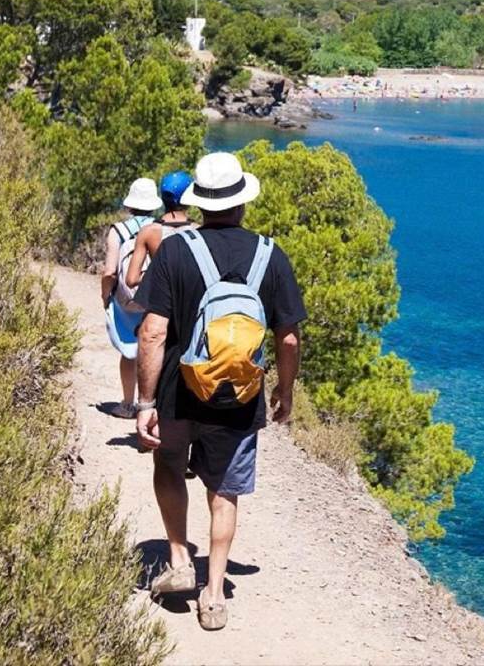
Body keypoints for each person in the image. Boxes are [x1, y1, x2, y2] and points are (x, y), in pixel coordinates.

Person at [133, 151, 305, 632]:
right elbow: (288, 335)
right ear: (242, 203)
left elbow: (152, 332)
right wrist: (284, 391)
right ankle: (214, 594)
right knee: (224, 488)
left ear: (201, 203)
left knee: (168, 464)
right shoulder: (271, 255)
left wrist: (145, 403)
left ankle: (178, 560)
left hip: (176, 391)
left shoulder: (175, 251)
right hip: (240, 397)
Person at [103, 177, 163, 418]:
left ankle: (128, 405)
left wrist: (106, 296)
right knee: (155, 348)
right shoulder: (160, 229)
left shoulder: (118, 231)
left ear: (129, 204)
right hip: (155, 298)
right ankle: (150, 404)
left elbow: (109, 271)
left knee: (129, 351)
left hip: (126, 299)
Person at [124, 170, 196, 292]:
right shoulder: (199, 230)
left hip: (161, 298)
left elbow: (132, 279)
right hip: (190, 300)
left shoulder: (148, 232)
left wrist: (160, 274)